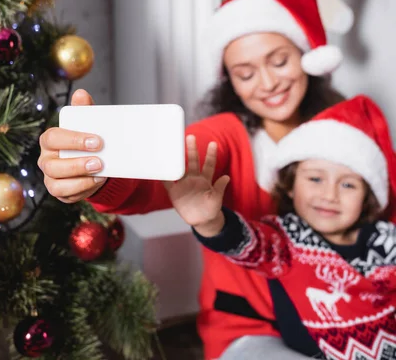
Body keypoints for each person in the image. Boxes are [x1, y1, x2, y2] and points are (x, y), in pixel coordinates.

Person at [38, 0, 345, 360]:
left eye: (279, 61)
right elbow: (153, 177)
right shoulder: (224, 138)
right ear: (230, 82)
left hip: (347, 320)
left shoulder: (350, 132)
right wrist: (98, 177)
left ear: (306, 56)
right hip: (250, 332)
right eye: (246, 73)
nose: (267, 83)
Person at [166, 95, 396, 360]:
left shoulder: (385, 241)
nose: (329, 195)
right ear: (289, 183)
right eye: (315, 179)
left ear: (367, 196)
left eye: (348, 185)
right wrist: (209, 222)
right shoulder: (285, 241)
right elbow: (246, 242)